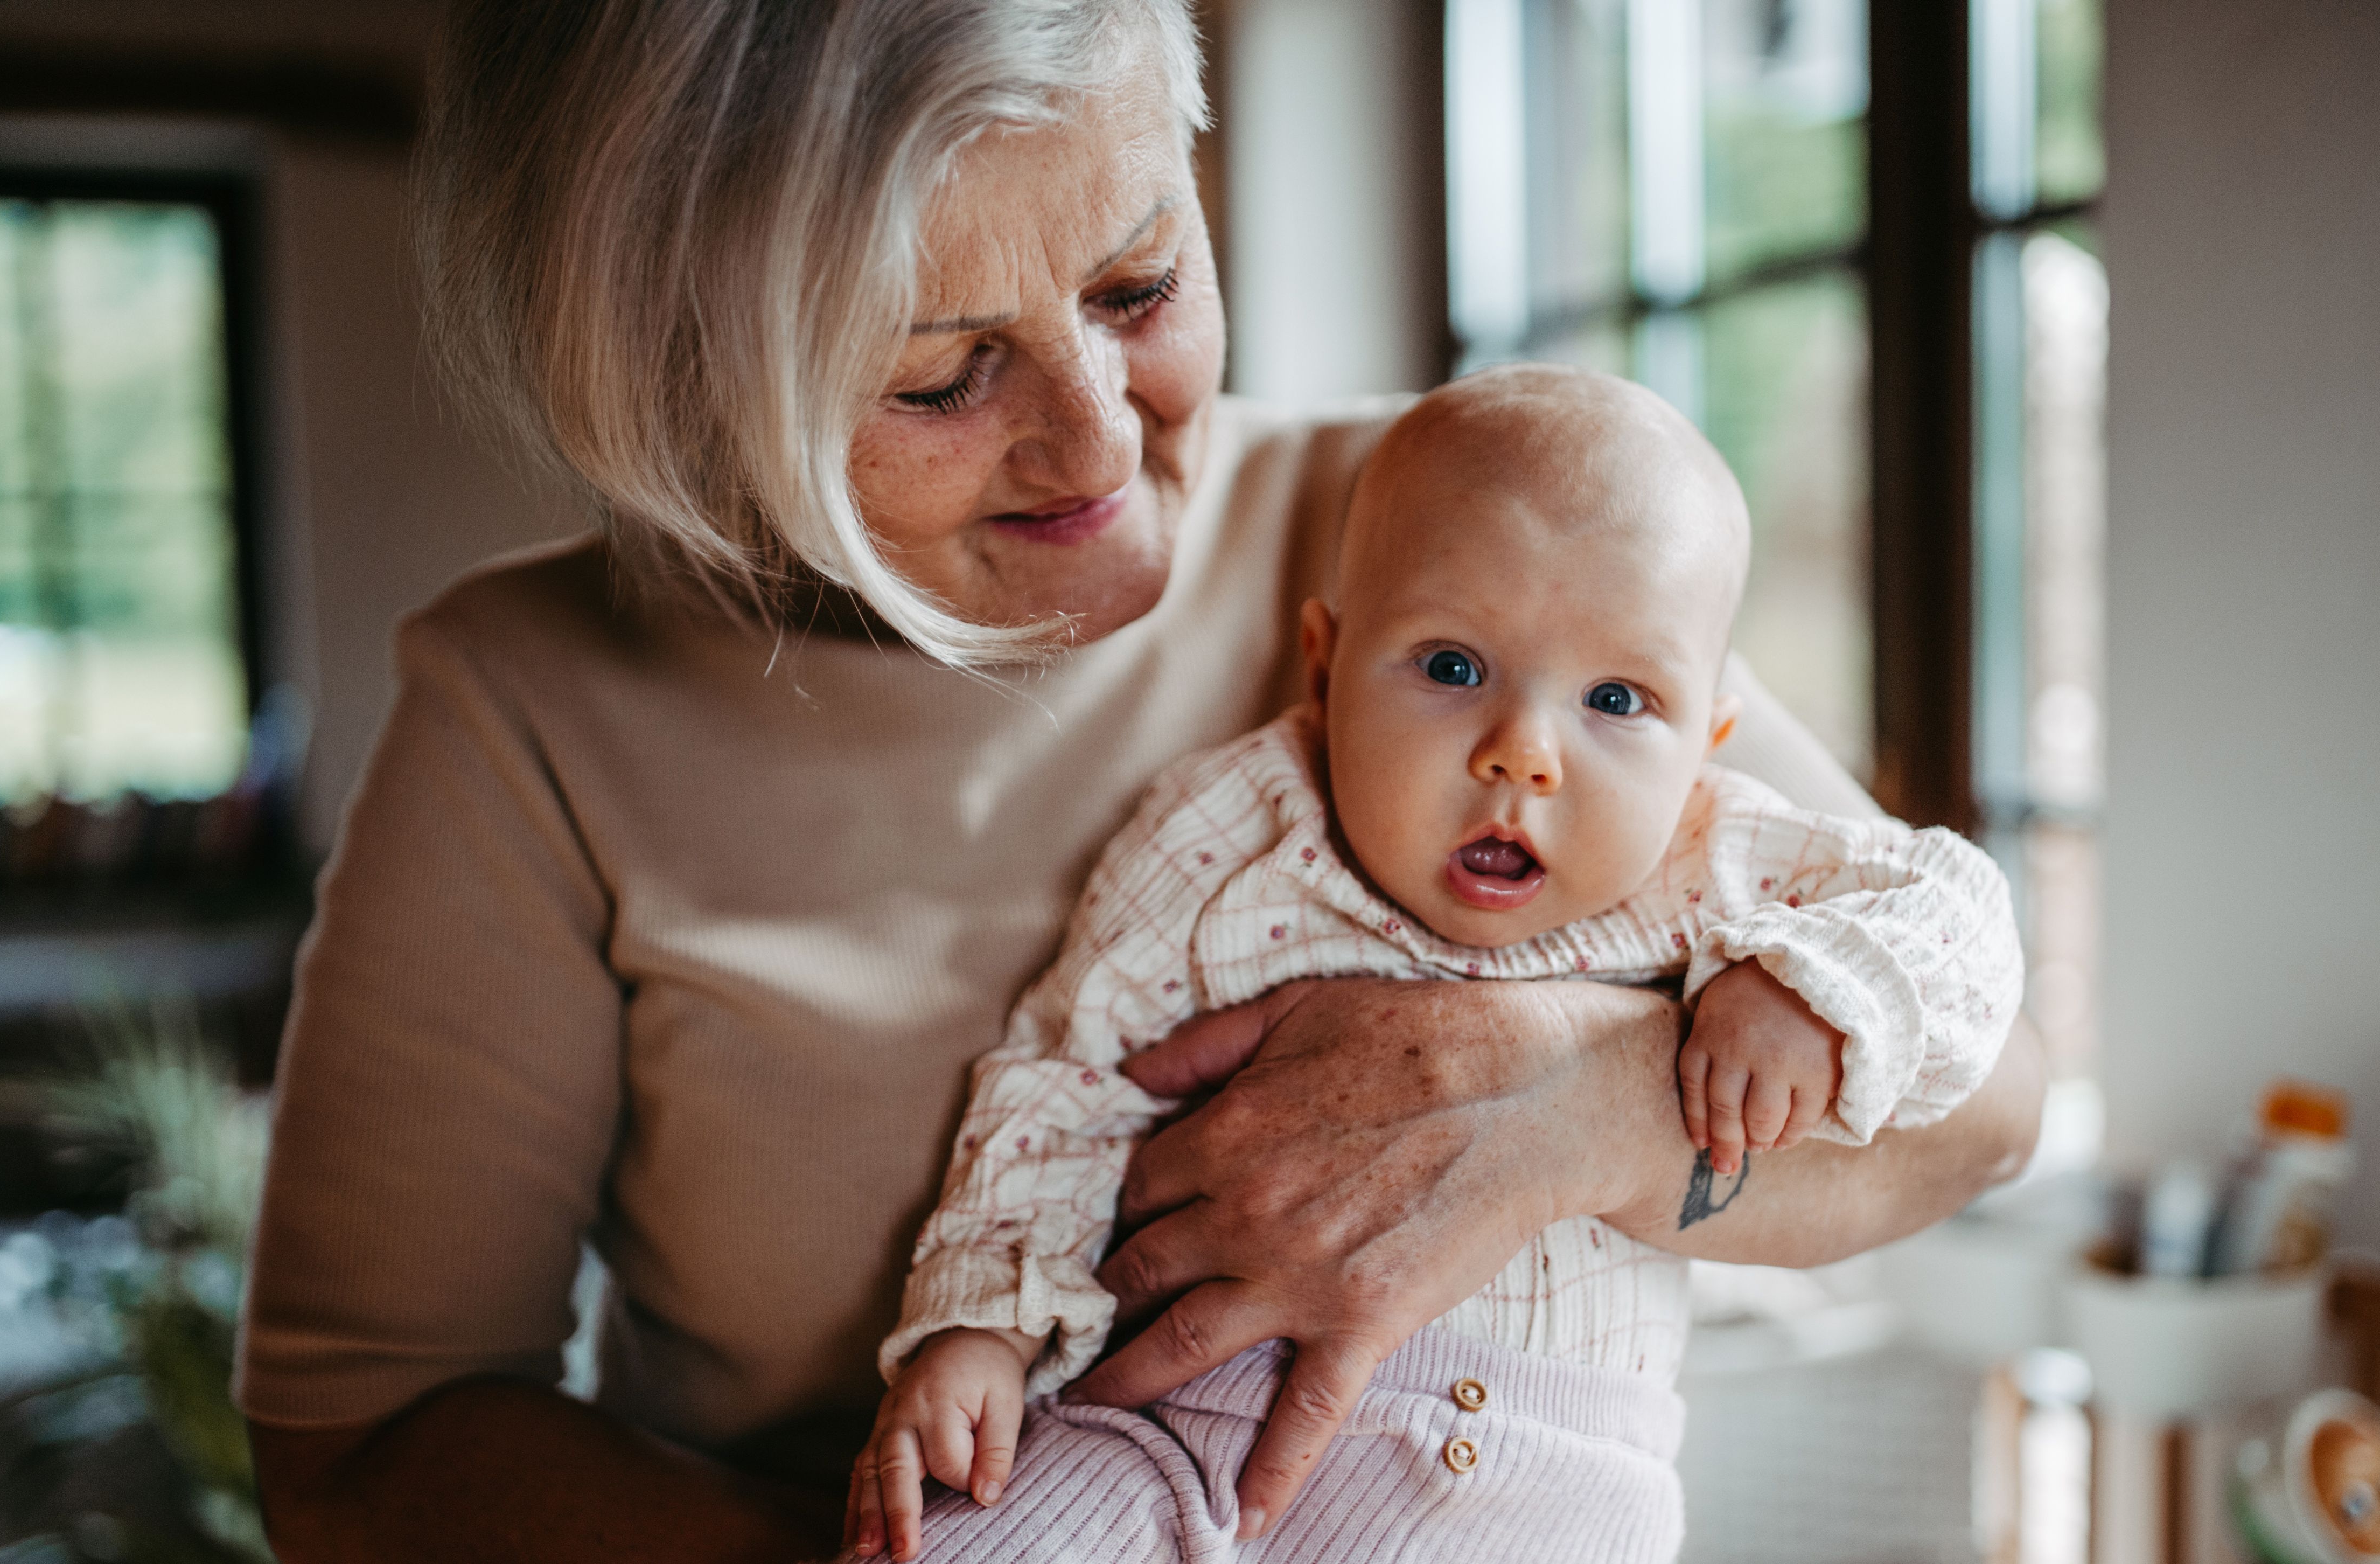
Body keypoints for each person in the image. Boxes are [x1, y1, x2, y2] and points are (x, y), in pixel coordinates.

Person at [239, 4, 2046, 1561]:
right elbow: (362, 1441)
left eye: (1139, 282)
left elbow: (1982, 1098)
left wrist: (1582, 1112)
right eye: (942, 376)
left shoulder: (1459, 539)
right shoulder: (529, 708)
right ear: (697, 394)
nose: (1099, 439)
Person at [847, 366, 2025, 1562]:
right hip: (1165, 1438)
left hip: (1545, 1500)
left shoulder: (1715, 857)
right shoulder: (1226, 831)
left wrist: (1812, 988)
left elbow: (1956, 906)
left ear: (1705, 744)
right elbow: (1066, 1079)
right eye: (1451, 668)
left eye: (1615, 700)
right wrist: (981, 1327)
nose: (1523, 757)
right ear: (1325, 663)